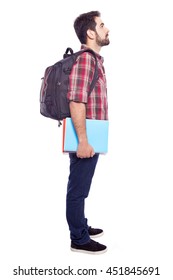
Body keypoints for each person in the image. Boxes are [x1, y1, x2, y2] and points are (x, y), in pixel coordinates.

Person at [66, 11, 110, 254]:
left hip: (92, 133)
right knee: (78, 189)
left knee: (81, 186)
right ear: (91, 33)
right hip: (86, 136)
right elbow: (76, 101)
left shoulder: (95, 60)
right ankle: (79, 239)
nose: (107, 29)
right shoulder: (85, 60)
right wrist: (83, 140)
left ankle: (80, 225)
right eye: (102, 25)